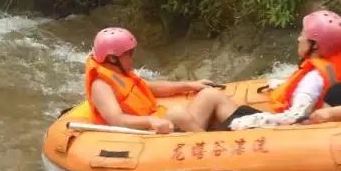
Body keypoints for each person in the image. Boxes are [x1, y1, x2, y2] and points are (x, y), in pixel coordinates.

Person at [85, 27, 250, 133]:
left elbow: (150, 88)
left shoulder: (123, 74)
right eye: (128, 54)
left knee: (210, 94)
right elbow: (117, 120)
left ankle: (252, 127)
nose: (132, 58)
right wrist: (150, 121)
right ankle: (211, 145)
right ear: (112, 58)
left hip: (162, 124)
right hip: (145, 133)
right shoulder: (100, 86)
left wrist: (188, 85)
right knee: (177, 113)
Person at [228, 10, 341, 130]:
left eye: (303, 35)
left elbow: (295, 117)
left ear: (314, 46)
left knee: (226, 111)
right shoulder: (332, 65)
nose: (299, 38)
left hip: (300, 129)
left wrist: (249, 121)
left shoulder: (313, 79)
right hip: (320, 108)